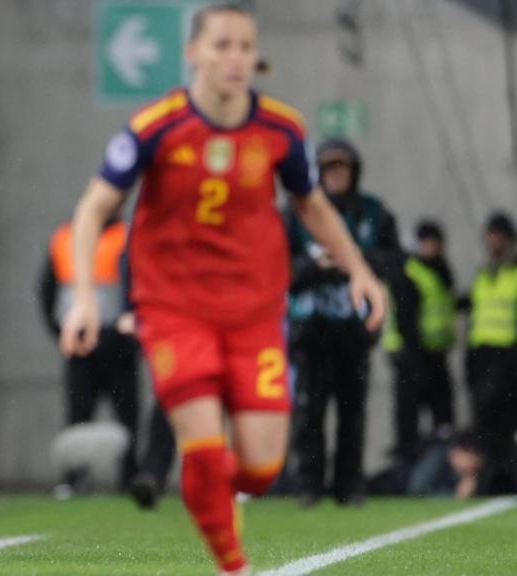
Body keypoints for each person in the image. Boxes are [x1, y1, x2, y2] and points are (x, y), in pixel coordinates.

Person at [59, 5, 385, 575]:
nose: (236, 59)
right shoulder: (155, 127)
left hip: (255, 312)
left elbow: (312, 205)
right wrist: (87, 297)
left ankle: (204, 488)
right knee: (204, 445)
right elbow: (93, 209)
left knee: (260, 467)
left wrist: (360, 269)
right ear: (194, 53)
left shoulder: (281, 130)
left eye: (245, 47)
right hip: (174, 310)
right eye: (223, 45)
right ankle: (234, 565)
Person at [285, 138, 401, 508]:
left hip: (353, 331)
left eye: (343, 167)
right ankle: (309, 485)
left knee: (353, 411)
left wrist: (352, 258)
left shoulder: (374, 213)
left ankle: (349, 485)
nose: (336, 174)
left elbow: (394, 262)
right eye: (329, 168)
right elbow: (275, 268)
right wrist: (313, 266)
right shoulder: (295, 212)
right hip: (310, 329)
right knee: (309, 412)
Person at [38, 218, 140, 494]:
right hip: (80, 344)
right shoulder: (63, 238)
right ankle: (75, 478)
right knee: (78, 412)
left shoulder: (126, 236)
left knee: (127, 412)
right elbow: (48, 290)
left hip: (118, 342)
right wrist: (59, 330)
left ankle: (130, 477)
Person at [383, 220, 457, 464]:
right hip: (411, 355)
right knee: (408, 419)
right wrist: (412, 356)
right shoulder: (411, 271)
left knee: (442, 418)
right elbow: (406, 318)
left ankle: (439, 469)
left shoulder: (440, 270)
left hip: (435, 354)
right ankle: (407, 469)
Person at [464, 212, 517, 491]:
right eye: (491, 234)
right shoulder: (482, 274)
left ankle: (508, 479)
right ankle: (489, 481)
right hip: (483, 358)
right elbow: (475, 318)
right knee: (485, 424)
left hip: (509, 358)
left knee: (508, 424)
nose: (495, 240)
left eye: (500, 235)